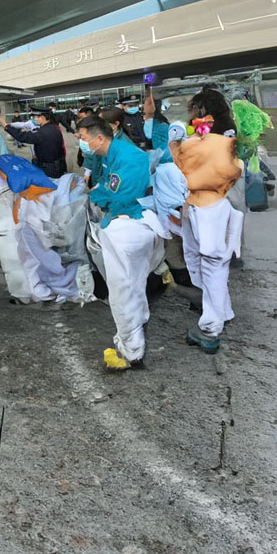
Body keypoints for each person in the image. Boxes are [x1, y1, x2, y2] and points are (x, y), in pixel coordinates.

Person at [77, 115, 167, 371]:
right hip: (129, 225)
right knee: (134, 286)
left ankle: (130, 352)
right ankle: (135, 334)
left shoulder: (128, 156)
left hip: (127, 227)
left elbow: (116, 195)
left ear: (99, 137)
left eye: (83, 138)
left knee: (122, 292)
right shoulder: (112, 155)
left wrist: (95, 194)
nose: (82, 143)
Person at [170, 126, 244, 354]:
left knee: (213, 269)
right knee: (202, 266)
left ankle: (211, 330)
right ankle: (223, 312)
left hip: (208, 213)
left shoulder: (211, 199)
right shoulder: (199, 191)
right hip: (196, 208)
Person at [0, 107, 66, 178]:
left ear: (42, 117)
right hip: (58, 164)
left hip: (49, 168)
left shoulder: (42, 132)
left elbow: (21, 136)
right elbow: (50, 146)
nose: (34, 119)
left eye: (35, 117)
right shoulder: (54, 128)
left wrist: (5, 125)